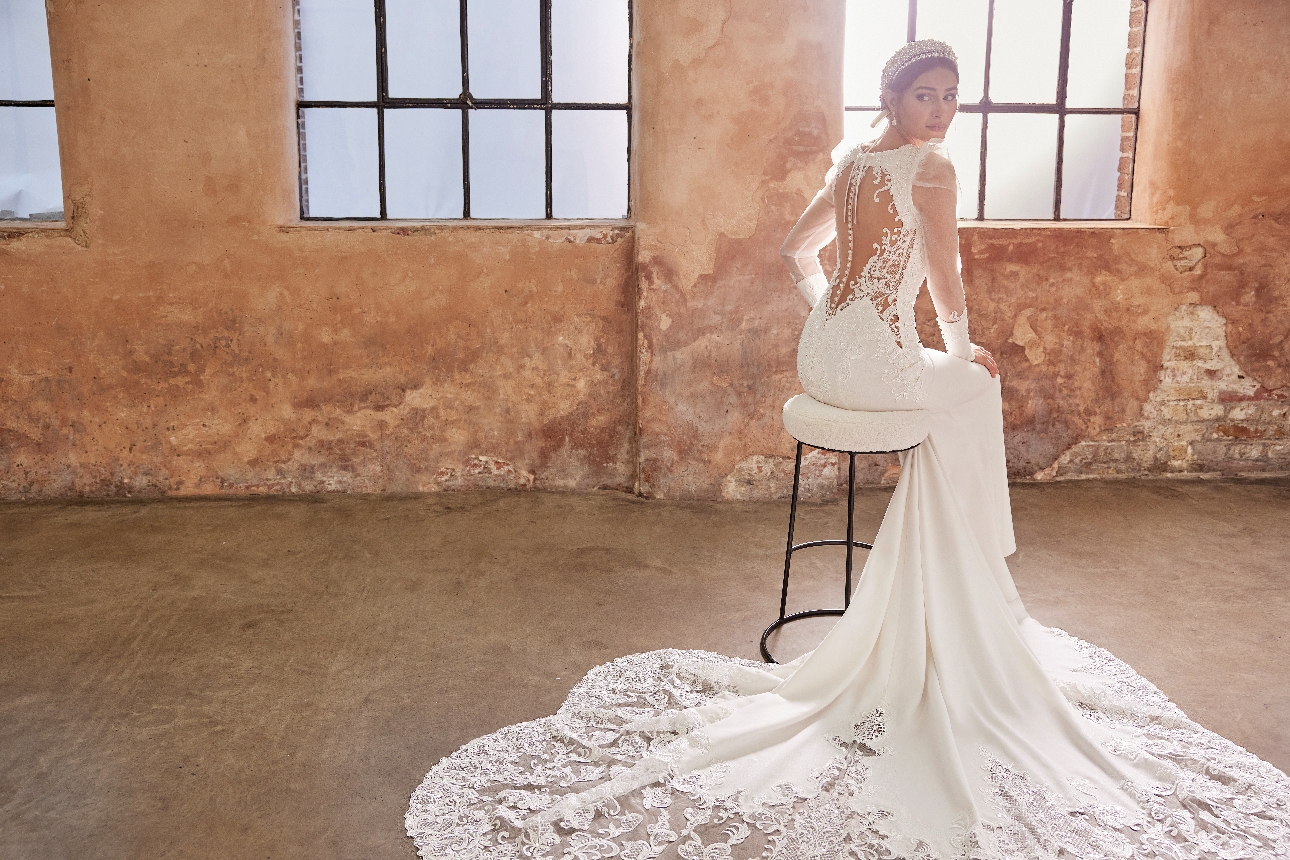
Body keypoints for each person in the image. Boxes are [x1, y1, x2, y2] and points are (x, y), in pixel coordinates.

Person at [406, 41, 1290, 860]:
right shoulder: (932, 169)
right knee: (975, 389)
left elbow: (797, 251)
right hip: (873, 357)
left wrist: (838, 313)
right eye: (925, 95)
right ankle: (976, 568)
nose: (940, 110)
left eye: (950, 97)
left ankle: (956, 570)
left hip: (824, 345)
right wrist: (960, 344)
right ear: (894, 97)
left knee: (953, 405)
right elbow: (945, 278)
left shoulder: (855, 160)